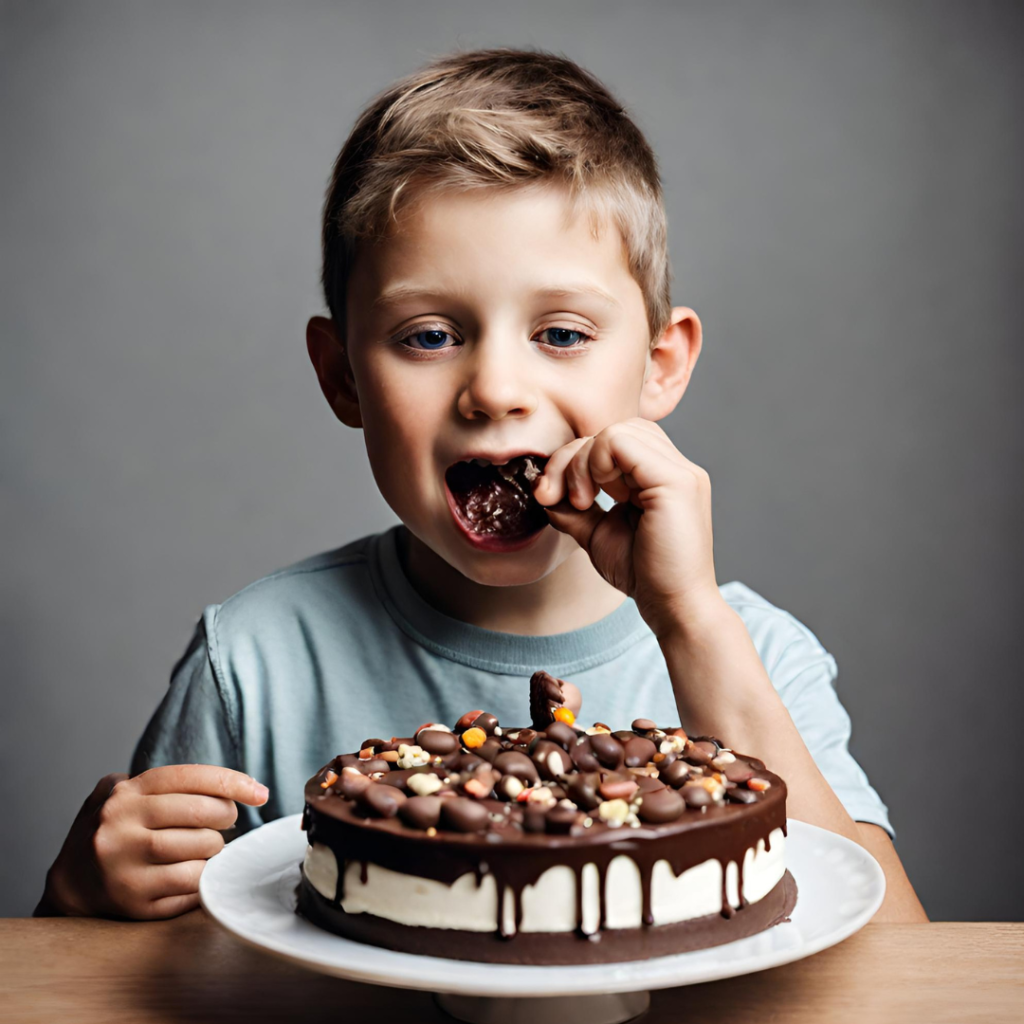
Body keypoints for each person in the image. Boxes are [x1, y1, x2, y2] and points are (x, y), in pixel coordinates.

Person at [36, 48, 927, 923]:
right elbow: (104, 976)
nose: (496, 390)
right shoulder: (255, 666)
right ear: (343, 375)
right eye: (428, 335)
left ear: (659, 366)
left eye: (564, 333)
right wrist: (79, 896)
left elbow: (898, 973)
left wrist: (691, 622)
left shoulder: (755, 656)